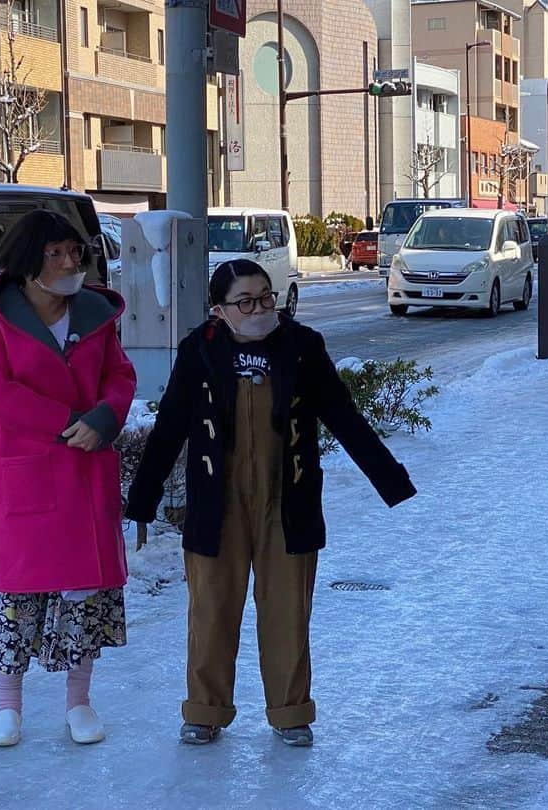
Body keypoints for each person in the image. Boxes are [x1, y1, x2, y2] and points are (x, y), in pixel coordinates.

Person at [125, 258, 416, 747]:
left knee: (286, 611)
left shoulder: (302, 347)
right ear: (220, 310)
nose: (260, 308)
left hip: (289, 498)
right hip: (217, 500)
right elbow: (171, 425)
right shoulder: (199, 350)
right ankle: (205, 709)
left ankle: (290, 712)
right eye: (246, 301)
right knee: (211, 610)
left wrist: (390, 480)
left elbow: (342, 416)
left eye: (266, 297)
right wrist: (143, 499)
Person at [0, 209, 137, 748]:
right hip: (23, 467)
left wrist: (106, 418)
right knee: (17, 589)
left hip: (86, 468)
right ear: (27, 260)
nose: (69, 263)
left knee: (83, 589)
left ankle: (79, 701)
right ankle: (7, 705)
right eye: (55, 253)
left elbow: (119, 374)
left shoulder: (95, 312)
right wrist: (69, 423)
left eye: (75, 252)